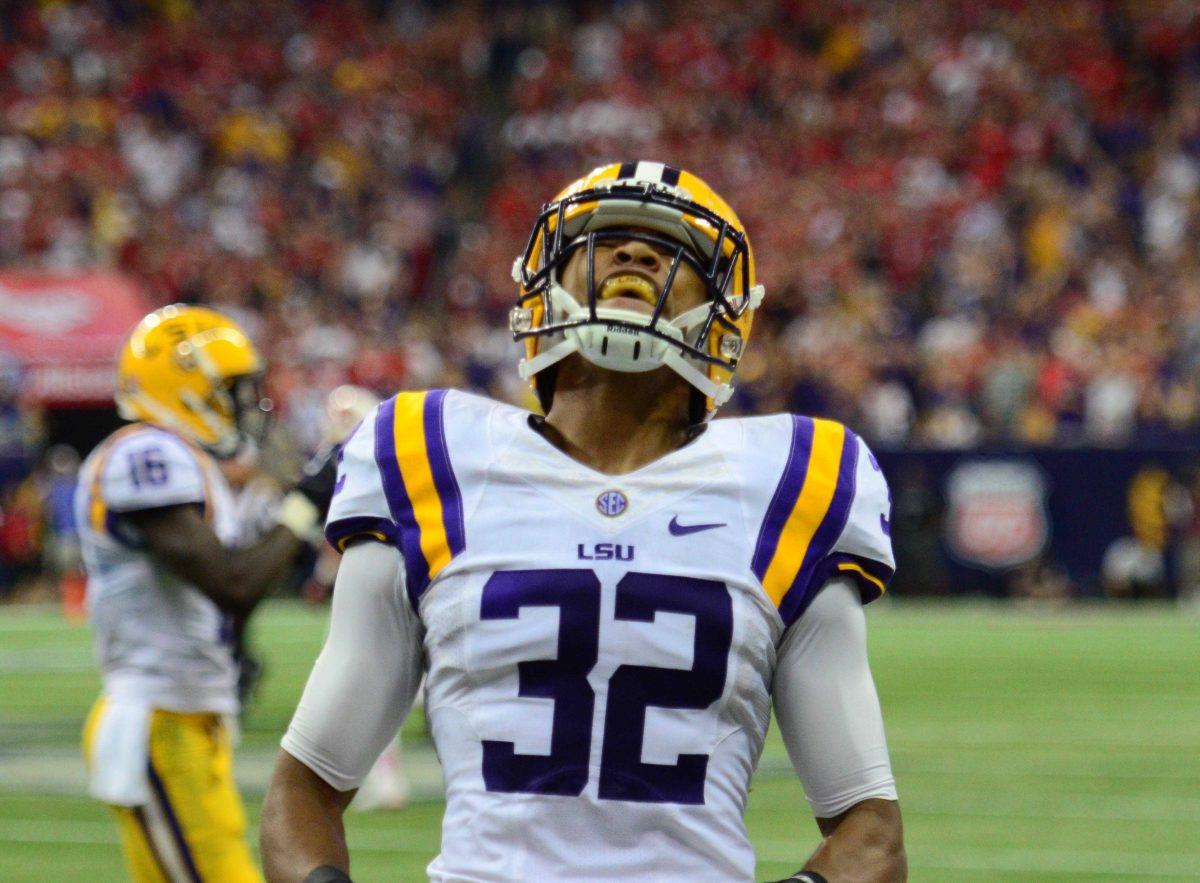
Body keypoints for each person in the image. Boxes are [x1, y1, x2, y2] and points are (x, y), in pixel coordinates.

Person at [261, 163, 906, 882]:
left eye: (674, 249)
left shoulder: (795, 478)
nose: (634, 255)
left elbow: (869, 828)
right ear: (543, 284)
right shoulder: (427, 451)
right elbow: (306, 786)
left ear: (725, 311)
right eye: (603, 240)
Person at [77, 304, 338, 883]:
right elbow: (232, 583)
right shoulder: (146, 454)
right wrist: (306, 501)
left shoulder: (188, 464)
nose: (246, 405)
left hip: (188, 717)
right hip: (159, 719)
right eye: (232, 389)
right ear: (187, 390)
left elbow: (226, 584)